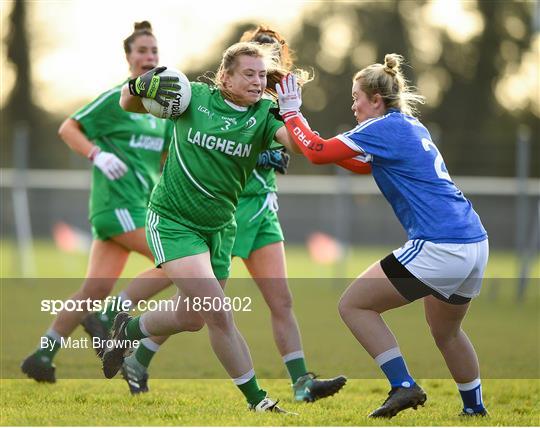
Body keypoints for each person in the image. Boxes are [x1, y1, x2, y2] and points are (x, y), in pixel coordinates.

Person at [119, 25, 347, 404]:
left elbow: (305, 147)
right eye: (251, 70)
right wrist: (140, 86)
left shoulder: (266, 112)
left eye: (264, 71)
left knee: (200, 314)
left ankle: (127, 335)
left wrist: (292, 113)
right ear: (226, 73)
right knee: (215, 310)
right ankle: (257, 399)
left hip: (230, 220)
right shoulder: (194, 97)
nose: (260, 78)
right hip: (178, 218)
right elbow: (128, 103)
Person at [275, 55, 489, 418]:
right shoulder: (408, 125)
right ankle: (474, 409)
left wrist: (291, 112)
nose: (354, 105)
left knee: (354, 305)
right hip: (474, 241)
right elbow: (359, 165)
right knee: (446, 331)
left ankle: (403, 386)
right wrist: (303, 125)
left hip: (440, 244)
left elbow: (316, 152)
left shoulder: (382, 127)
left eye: (357, 96)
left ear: (377, 99)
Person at [20, 21, 173, 383]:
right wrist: (97, 155)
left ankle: (43, 355)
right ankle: (110, 316)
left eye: (154, 51)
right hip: (116, 206)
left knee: (94, 290)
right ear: (128, 58)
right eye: (142, 51)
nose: (149, 57)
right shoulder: (114, 99)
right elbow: (68, 128)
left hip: (138, 207)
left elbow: (165, 161)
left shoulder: (161, 111)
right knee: (174, 260)